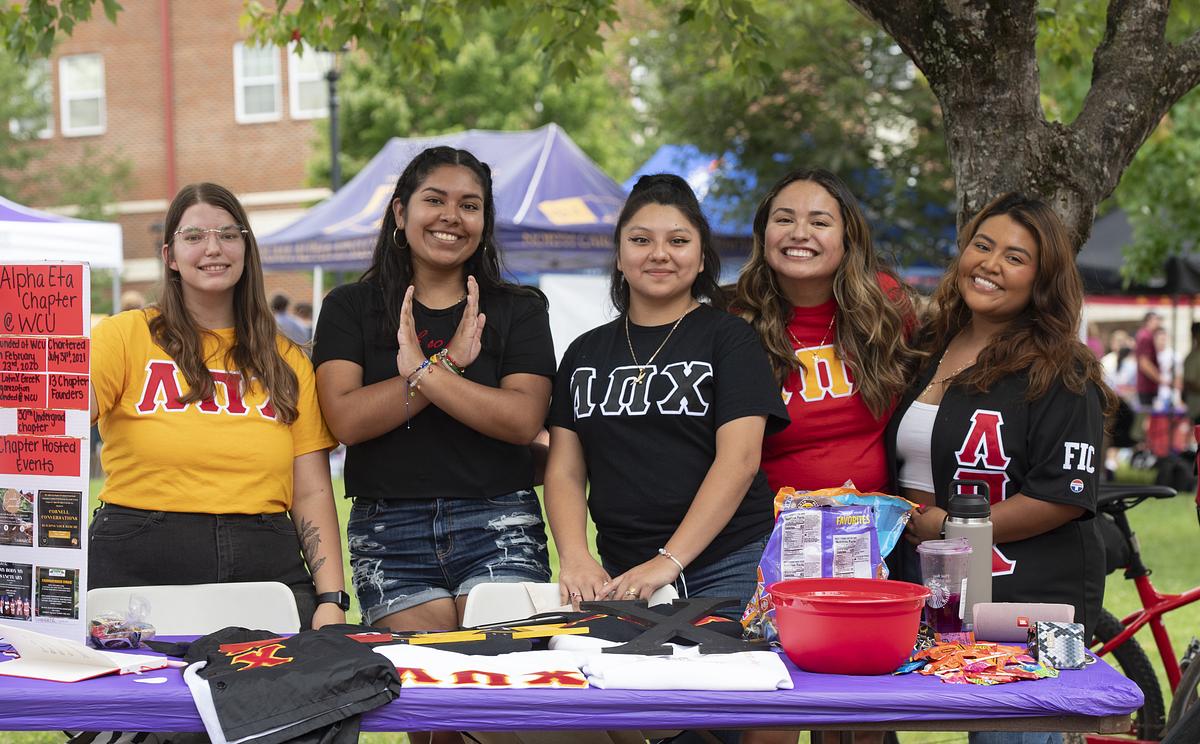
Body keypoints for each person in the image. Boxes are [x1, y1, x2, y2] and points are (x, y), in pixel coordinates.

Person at [888, 193, 1114, 744]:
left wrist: (948, 527)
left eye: (1015, 257)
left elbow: (1062, 495)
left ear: (1042, 279)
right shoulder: (927, 346)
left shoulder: (1061, 369)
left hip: (1018, 599)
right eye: (982, 246)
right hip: (924, 590)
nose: (990, 264)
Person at [312, 146, 555, 635]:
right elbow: (346, 421)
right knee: (422, 680)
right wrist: (444, 366)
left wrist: (422, 374)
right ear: (401, 212)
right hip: (390, 530)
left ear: (484, 221)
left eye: (470, 205)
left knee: (503, 677)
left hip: (499, 519)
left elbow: (522, 420)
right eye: (435, 200)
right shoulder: (350, 307)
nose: (452, 217)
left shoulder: (519, 308)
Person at [89, 182, 346, 630]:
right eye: (194, 237)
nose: (214, 248)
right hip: (139, 552)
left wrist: (331, 598)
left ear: (246, 249)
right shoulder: (123, 337)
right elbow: (53, 426)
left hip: (264, 557)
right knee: (132, 698)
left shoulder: (286, 359)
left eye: (229, 234)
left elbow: (311, 492)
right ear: (170, 255)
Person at [545, 173, 787, 612]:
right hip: (623, 572)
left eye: (677, 241)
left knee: (728, 681)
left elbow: (740, 460)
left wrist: (669, 560)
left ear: (700, 259)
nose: (659, 254)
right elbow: (564, 470)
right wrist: (577, 558)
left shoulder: (729, 338)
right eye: (640, 240)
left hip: (728, 563)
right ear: (619, 256)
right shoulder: (584, 351)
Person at [732, 167, 920, 496]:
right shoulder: (735, 318)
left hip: (878, 531)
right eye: (784, 220)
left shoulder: (884, 305)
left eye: (819, 222)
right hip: (766, 534)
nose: (800, 233)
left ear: (848, 239)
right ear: (763, 236)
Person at [1135, 311, 1162, 409]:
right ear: (1148, 321)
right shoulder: (1145, 337)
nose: (1159, 322)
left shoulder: (1146, 335)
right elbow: (1144, 363)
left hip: (1148, 386)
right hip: (1146, 387)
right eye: (1157, 320)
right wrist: (1160, 379)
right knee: (1147, 417)